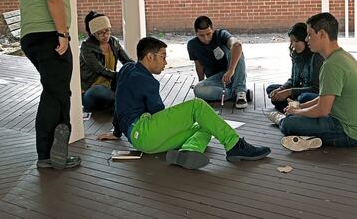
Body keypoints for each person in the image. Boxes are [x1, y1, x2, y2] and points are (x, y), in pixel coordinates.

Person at [99, 36, 271, 169]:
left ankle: (190, 150)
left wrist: (117, 131)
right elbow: (159, 115)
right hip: (146, 131)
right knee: (197, 106)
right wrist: (183, 119)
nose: (166, 62)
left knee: (207, 124)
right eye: (163, 57)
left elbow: (118, 101)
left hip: (142, 143)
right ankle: (235, 145)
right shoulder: (148, 81)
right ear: (150, 57)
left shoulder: (127, 68)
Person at [19, 0, 86, 169]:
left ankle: (55, 149)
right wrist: (62, 34)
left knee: (58, 92)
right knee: (55, 94)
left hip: (31, 37)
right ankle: (47, 155)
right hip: (49, 36)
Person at [266, 13, 357, 152]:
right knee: (303, 99)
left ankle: (282, 120)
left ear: (322, 34)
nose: (306, 39)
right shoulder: (341, 56)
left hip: (349, 132)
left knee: (288, 124)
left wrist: (297, 113)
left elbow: (323, 110)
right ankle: (308, 135)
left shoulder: (331, 65)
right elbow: (324, 99)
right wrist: (300, 107)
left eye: (310, 35)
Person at [187, 16, 251, 109]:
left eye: (209, 34)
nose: (206, 38)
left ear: (213, 30)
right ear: (196, 33)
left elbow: (237, 45)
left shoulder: (221, 35)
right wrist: (202, 82)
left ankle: (240, 92)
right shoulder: (192, 45)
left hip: (233, 74)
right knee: (197, 90)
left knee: (236, 48)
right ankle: (235, 94)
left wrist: (231, 70)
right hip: (217, 80)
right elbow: (199, 66)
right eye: (201, 35)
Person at [80, 11, 133, 112]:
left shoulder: (114, 42)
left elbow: (127, 61)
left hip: (110, 86)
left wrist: (139, 70)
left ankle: (117, 106)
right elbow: (100, 69)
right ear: (93, 34)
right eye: (100, 33)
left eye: (108, 31)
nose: (105, 35)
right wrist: (121, 75)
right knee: (99, 92)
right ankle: (123, 104)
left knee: (133, 81)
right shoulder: (86, 47)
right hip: (92, 89)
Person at [266, 22, 324, 112]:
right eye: (291, 41)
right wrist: (281, 89)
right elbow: (293, 80)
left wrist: (289, 92)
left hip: (311, 95)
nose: (293, 45)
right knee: (271, 89)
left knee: (304, 97)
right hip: (297, 90)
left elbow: (316, 89)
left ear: (305, 39)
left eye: (296, 41)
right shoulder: (296, 55)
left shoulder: (316, 57)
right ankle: (292, 105)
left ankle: (293, 106)